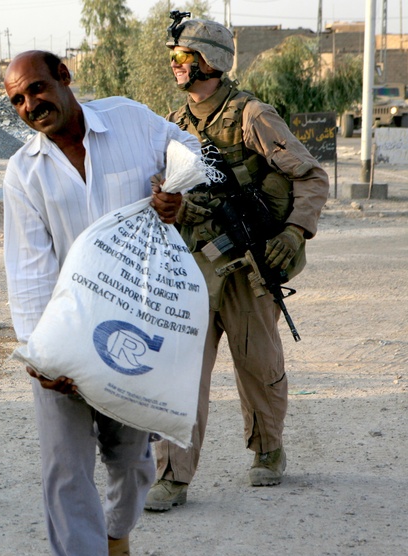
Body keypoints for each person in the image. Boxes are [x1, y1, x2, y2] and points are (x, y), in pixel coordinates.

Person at [2, 50, 201, 556]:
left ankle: (117, 532)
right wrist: (44, 356)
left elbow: (194, 151)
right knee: (65, 470)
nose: (30, 105)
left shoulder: (132, 121)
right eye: (17, 99)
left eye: (37, 89)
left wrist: (177, 187)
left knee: (131, 463)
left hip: (135, 330)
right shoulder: (24, 172)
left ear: (65, 78)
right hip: (63, 336)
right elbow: (29, 269)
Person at [146, 17, 328, 512]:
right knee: (180, 371)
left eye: (183, 58)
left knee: (258, 364)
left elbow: (311, 177)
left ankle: (268, 449)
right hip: (193, 266)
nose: (176, 67)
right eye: (174, 59)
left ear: (211, 60)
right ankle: (172, 475)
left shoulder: (252, 116)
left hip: (247, 265)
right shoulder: (173, 124)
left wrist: (294, 232)